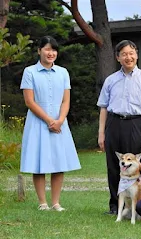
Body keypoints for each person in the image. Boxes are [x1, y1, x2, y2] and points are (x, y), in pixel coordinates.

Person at [97, 40, 141, 215]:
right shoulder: (110, 80)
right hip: (114, 123)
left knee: (134, 167)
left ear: (137, 55)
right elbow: (103, 107)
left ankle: (134, 205)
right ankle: (114, 205)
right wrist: (101, 132)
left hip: (136, 124)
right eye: (124, 54)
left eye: (131, 53)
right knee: (113, 166)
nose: (128, 57)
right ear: (118, 57)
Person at [20, 36, 81, 211]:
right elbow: (30, 102)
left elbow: (66, 101)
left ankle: (55, 202)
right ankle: (42, 202)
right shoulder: (30, 72)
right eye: (47, 49)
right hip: (38, 122)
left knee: (58, 161)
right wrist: (48, 120)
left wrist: (60, 120)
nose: (50, 53)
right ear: (39, 51)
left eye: (53, 50)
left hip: (60, 123)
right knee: (39, 162)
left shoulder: (63, 72)